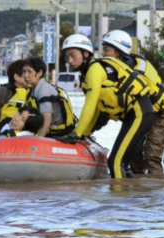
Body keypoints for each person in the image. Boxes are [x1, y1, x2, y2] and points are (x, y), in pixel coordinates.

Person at [59, 33, 155, 179]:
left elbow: (89, 105)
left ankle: (118, 199)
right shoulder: (87, 75)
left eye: (73, 55)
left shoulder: (94, 70)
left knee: (115, 162)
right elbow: (98, 109)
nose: (70, 61)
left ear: (85, 54)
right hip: (135, 116)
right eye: (67, 57)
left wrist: (76, 134)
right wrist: (85, 133)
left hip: (140, 114)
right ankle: (133, 194)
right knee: (123, 163)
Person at [102, 30, 164, 174]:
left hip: (161, 114)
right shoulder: (119, 69)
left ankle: (157, 191)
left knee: (151, 157)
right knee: (134, 156)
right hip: (141, 114)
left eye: (106, 50)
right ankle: (139, 191)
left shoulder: (134, 72)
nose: (103, 54)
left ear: (118, 52)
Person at [22, 56, 76, 137]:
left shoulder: (43, 91)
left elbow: (47, 119)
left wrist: (38, 141)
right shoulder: (33, 89)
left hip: (57, 134)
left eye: (30, 72)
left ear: (39, 73)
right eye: (24, 71)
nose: (26, 75)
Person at [0, 59, 35, 136]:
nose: (28, 76)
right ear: (16, 77)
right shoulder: (3, 92)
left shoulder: (35, 91)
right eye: (25, 73)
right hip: (4, 136)